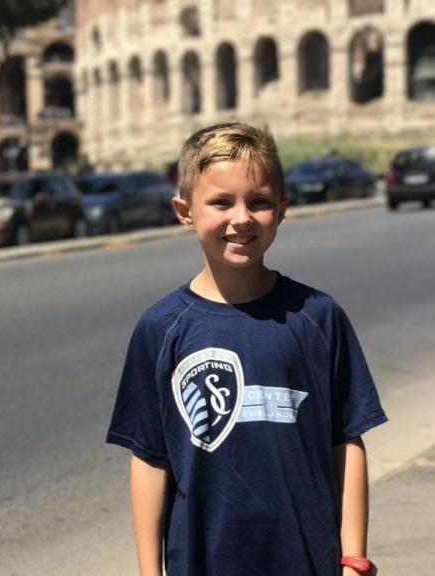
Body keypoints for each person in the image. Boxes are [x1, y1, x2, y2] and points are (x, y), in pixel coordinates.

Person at [106, 123, 385, 576]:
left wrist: (354, 560)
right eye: (221, 202)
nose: (241, 218)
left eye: (258, 202)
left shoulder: (318, 317)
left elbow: (347, 441)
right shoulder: (160, 328)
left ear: (282, 209)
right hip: (202, 560)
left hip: (309, 560)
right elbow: (149, 458)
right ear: (185, 211)